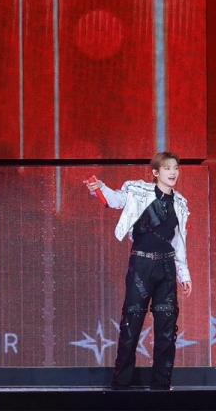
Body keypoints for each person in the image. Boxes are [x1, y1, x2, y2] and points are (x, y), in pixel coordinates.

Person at [87, 151, 192, 391]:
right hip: (141, 267)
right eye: (167, 168)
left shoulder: (180, 203)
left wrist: (184, 275)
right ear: (155, 172)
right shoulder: (138, 191)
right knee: (131, 325)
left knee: (166, 330)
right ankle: (121, 384)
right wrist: (100, 188)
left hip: (166, 269)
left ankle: (161, 385)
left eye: (175, 168)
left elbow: (179, 242)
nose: (173, 172)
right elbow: (115, 200)